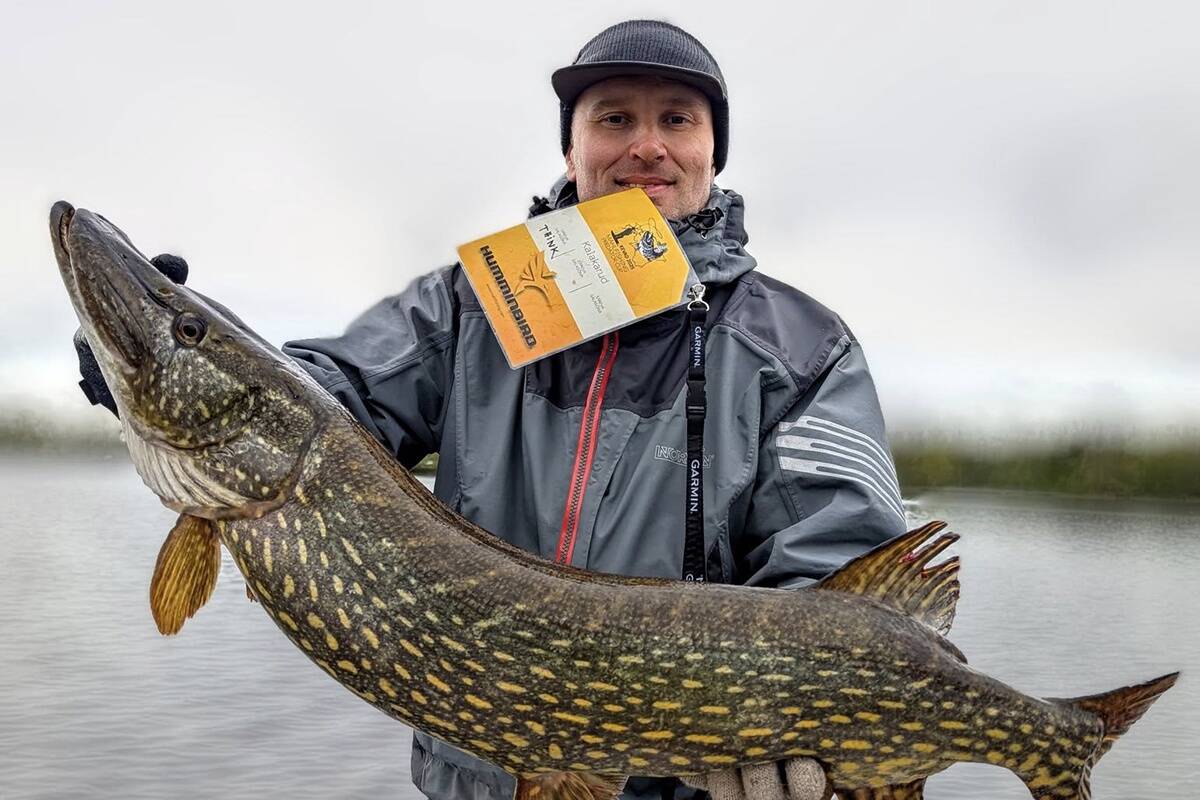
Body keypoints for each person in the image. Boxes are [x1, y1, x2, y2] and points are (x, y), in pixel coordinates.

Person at [75, 19, 906, 800]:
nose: (646, 146)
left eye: (676, 119)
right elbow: (328, 401)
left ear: (712, 149)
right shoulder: (476, 304)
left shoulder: (802, 349)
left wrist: (804, 716)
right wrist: (154, 366)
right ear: (574, 149)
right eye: (614, 118)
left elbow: (840, 570)